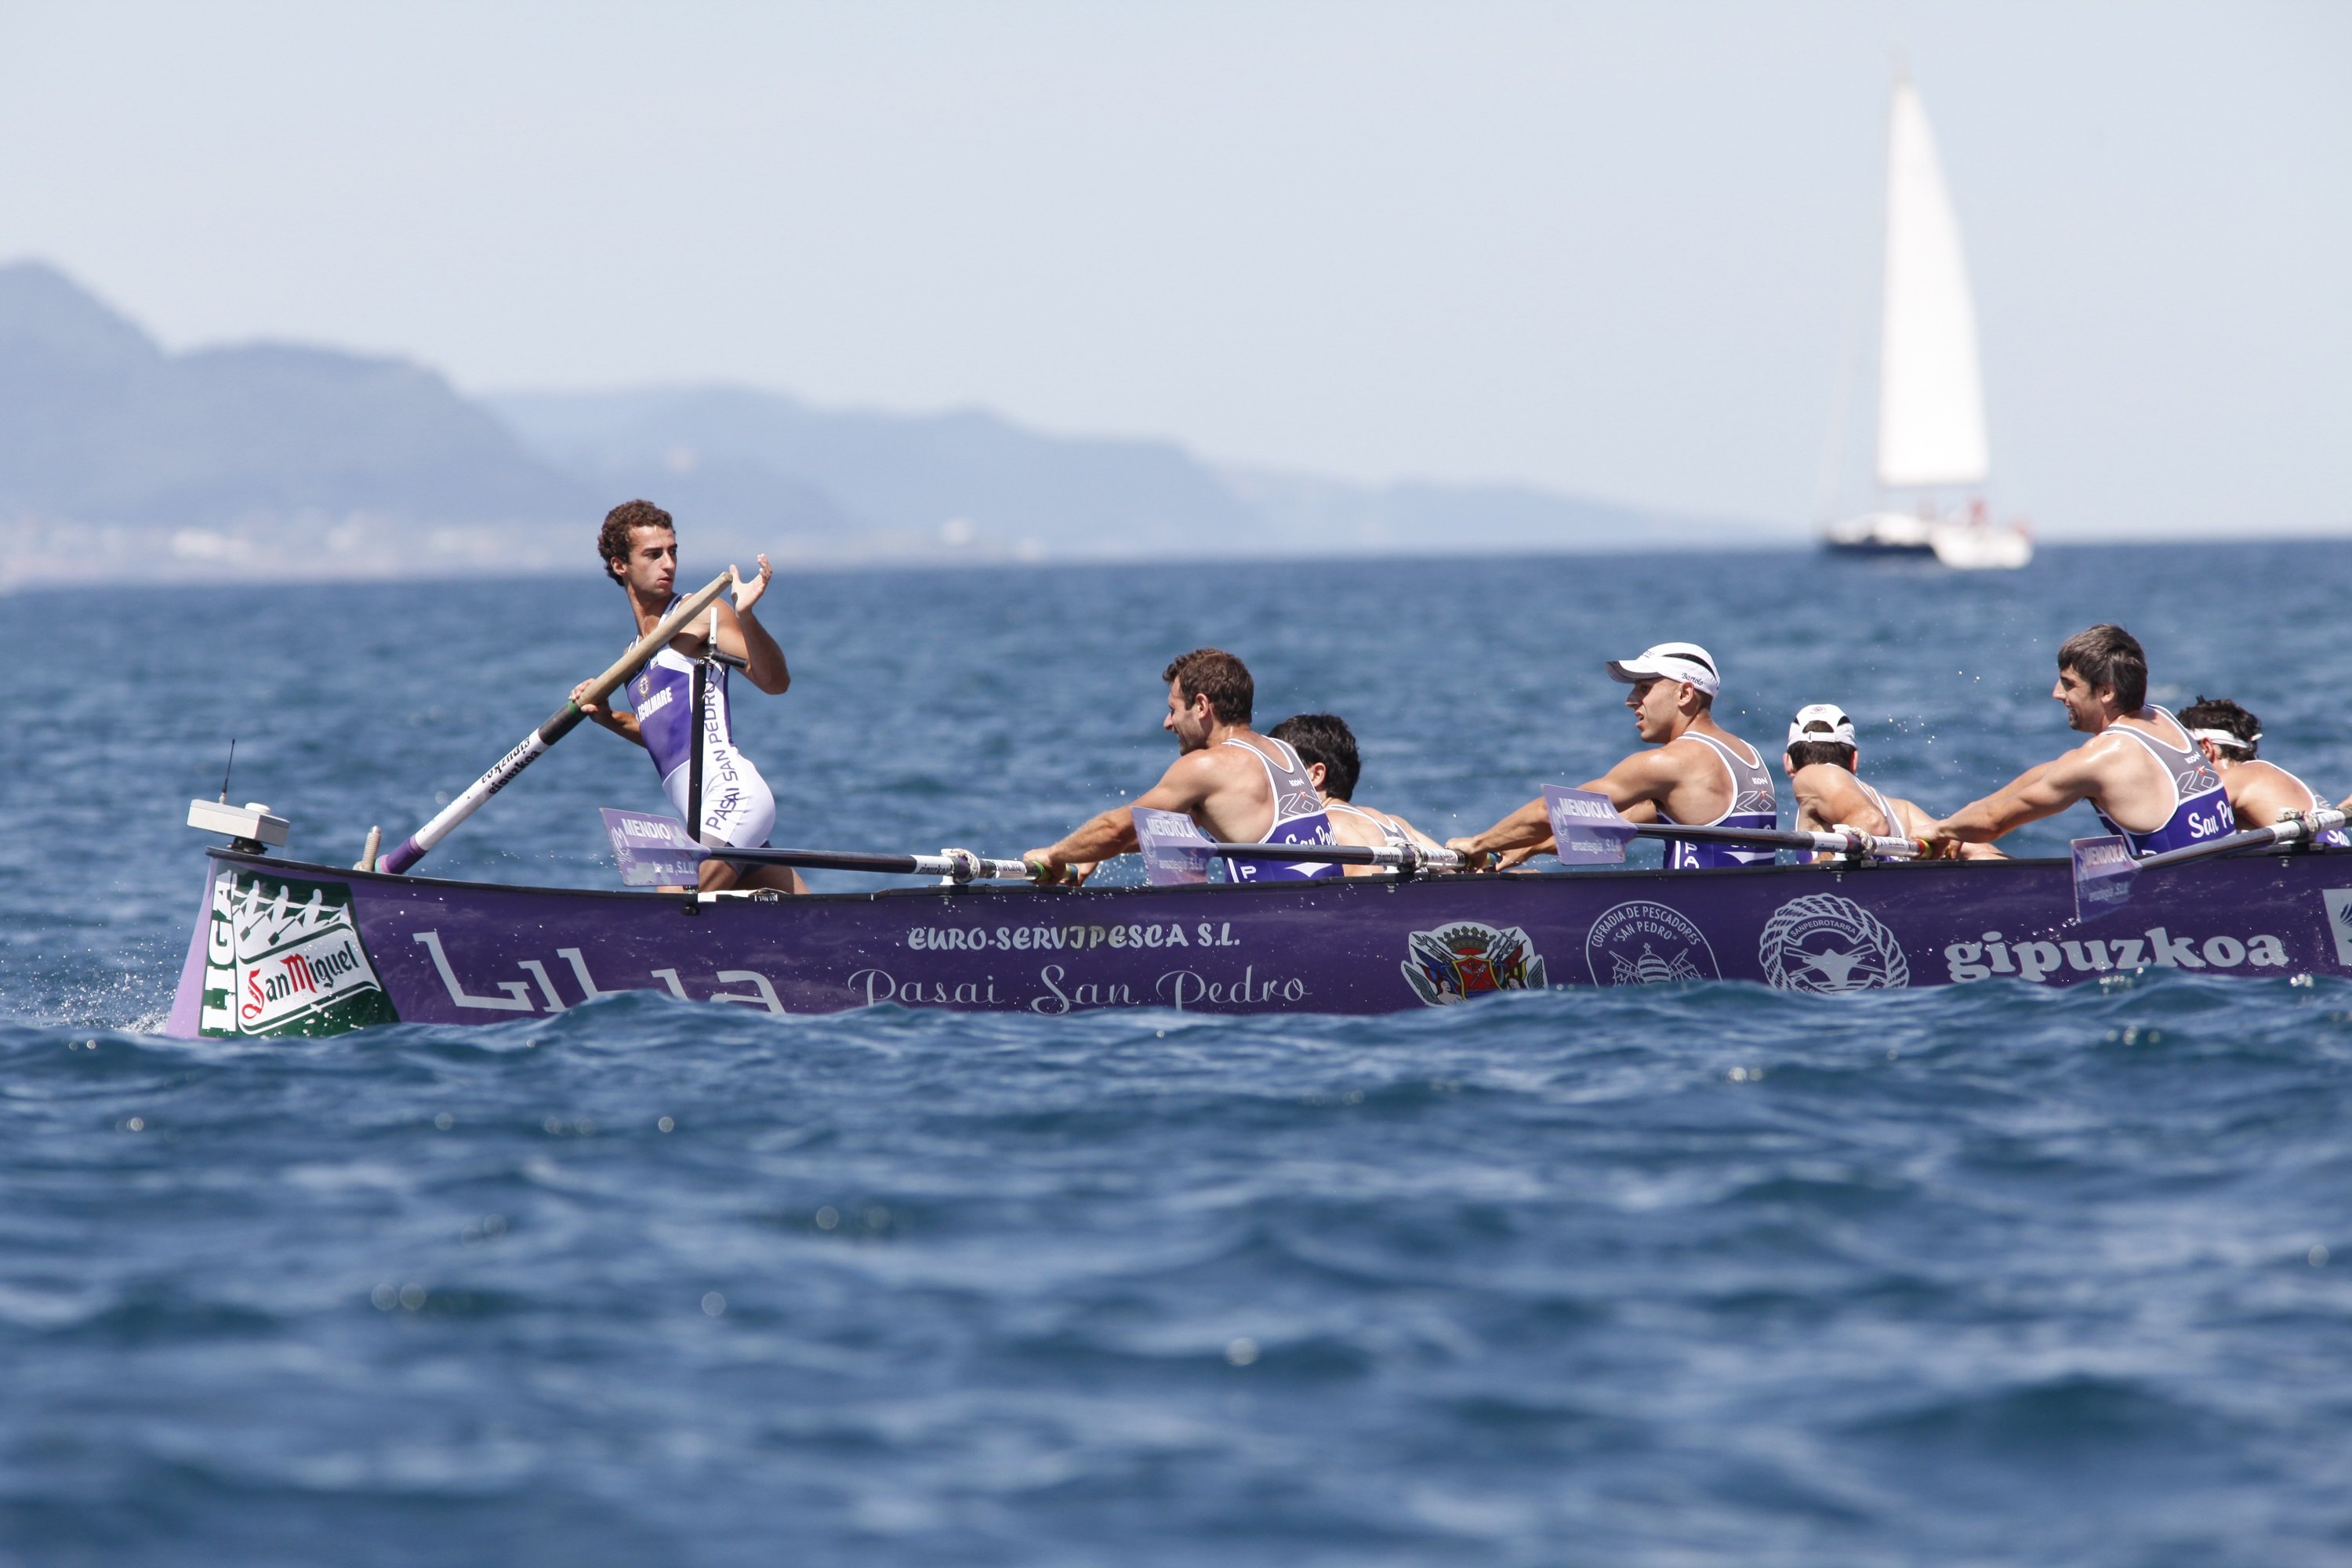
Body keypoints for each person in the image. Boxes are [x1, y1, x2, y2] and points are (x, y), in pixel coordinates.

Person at [570, 499, 805, 894]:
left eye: (672, 552)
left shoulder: (699, 613)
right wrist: (608, 718)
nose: (668, 564)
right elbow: (667, 735)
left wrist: (746, 616)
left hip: (732, 796)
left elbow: (775, 682)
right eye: (653, 554)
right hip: (701, 814)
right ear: (620, 565)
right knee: (817, 923)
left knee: (673, 896)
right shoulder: (633, 657)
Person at [1444, 641, 1777, 870]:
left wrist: (1478, 844)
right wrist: (1529, 847)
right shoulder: (1745, 754)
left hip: (1702, 921)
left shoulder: (1669, 763)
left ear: (1685, 693)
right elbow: (1617, 826)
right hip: (1750, 918)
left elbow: (1554, 811)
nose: (1631, 700)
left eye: (1644, 688)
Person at [1021, 649, 1341, 886]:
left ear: (1201, 706)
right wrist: (1090, 854)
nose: (1167, 723)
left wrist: (1055, 855)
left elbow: (1115, 830)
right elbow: (1165, 830)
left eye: (1173, 709)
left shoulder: (1206, 766)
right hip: (1331, 912)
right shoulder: (1283, 751)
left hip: (1278, 924)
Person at [1920, 624, 2229, 858]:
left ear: (2106, 692)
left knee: (1985, 863)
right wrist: (1965, 814)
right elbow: (2052, 773)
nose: (2057, 694)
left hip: (2175, 904)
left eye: (2069, 685)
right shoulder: (2161, 719)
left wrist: (1939, 829)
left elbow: (1993, 823)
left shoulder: (2102, 759)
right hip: (2221, 882)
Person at [1780, 703, 2002, 860]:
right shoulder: (1902, 810)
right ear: (1854, 760)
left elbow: (1871, 822)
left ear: (1788, 762)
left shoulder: (1810, 775)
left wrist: (1810, 875)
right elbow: (1981, 853)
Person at [1266, 713, 1445, 877]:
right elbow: (1452, 872)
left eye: (1279, 768)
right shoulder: (1396, 824)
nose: (1268, 779)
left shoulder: (1326, 827)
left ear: (1315, 775)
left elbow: (1370, 894)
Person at [2176, 695, 2350, 846]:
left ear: (2206, 748)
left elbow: (2172, 818)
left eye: (2181, 753)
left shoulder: (2242, 778)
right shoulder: (2273, 777)